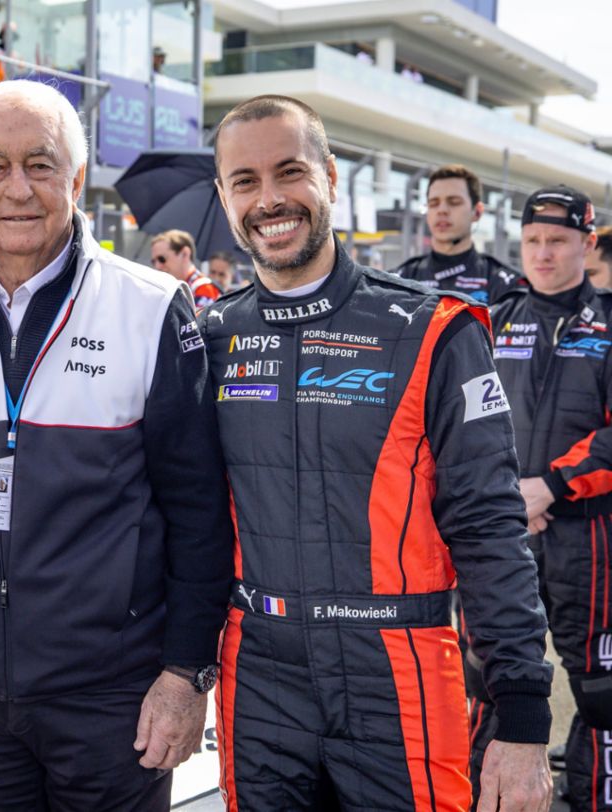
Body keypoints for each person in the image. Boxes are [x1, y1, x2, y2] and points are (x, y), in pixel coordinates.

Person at [0, 79, 234, 810]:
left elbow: (201, 514)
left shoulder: (150, 308)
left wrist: (187, 674)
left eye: (40, 165)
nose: (17, 189)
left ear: (74, 180)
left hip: (114, 698)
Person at [202, 94, 553, 811]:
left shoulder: (435, 331)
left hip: (398, 667)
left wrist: (522, 715)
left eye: (289, 171)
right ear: (223, 196)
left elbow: (489, 526)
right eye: (245, 181)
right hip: (257, 669)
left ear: (330, 176)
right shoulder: (208, 338)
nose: (269, 200)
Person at [484, 185, 609, 811]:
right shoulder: (497, 318)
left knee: (601, 690)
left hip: (588, 538)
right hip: (503, 537)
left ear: (587, 243)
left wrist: (552, 485)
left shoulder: (610, 321)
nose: (543, 252)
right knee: (489, 682)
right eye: (533, 240)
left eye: (557, 240)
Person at [395, 163, 524, 305]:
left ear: (477, 212)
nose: (442, 210)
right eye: (433, 203)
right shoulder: (400, 280)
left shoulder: (505, 284)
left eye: (454, 202)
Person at [149, 228, 220, 308]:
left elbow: (197, 320)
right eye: (153, 262)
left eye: (162, 259)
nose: (157, 266)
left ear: (185, 254)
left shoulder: (203, 287)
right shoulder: (172, 287)